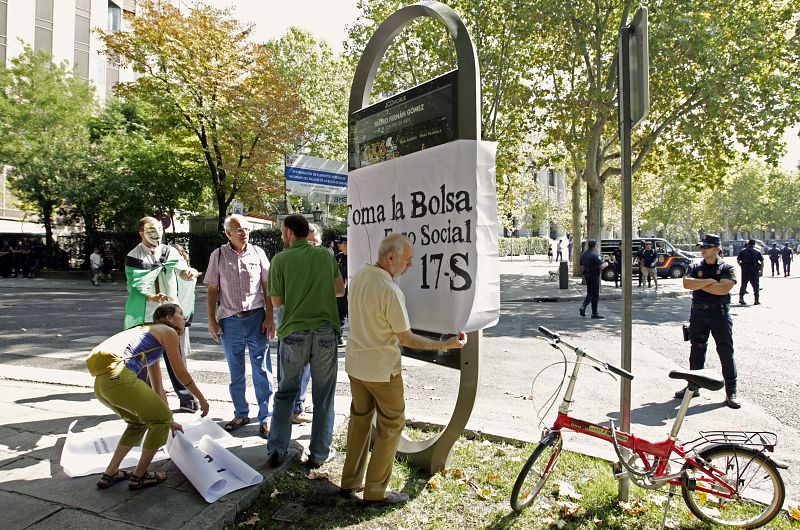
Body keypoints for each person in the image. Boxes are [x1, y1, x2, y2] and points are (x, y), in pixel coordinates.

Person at [340, 234, 468, 504]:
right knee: (392, 425)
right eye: (407, 259)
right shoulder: (390, 291)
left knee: (360, 419)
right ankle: (375, 491)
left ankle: (350, 481)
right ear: (390, 258)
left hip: (356, 365)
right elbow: (407, 339)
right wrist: (445, 344)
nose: (409, 265)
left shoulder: (360, 276)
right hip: (382, 371)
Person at [86, 303, 210, 490]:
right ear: (168, 317)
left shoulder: (150, 335)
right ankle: (140, 476)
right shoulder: (168, 332)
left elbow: (158, 388)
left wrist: (168, 419)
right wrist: (201, 399)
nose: (184, 318)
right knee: (159, 420)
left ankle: (110, 473)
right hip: (119, 378)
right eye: (180, 314)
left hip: (102, 384)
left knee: (139, 423)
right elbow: (180, 372)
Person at [267, 214, 345, 469]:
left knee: (286, 391)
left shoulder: (279, 260)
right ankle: (320, 453)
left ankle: (277, 449)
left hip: (294, 333)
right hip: (324, 332)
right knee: (323, 395)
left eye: (282, 231)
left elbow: (277, 302)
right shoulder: (324, 255)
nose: (281, 236)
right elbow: (340, 290)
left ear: (289, 233)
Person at [205, 214, 275, 438]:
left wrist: (270, 316)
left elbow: (267, 286)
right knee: (236, 371)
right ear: (227, 233)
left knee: (262, 370)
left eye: (246, 228)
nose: (244, 232)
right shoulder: (218, 255)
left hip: (257, 318)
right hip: (230, 320)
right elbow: (212, 290)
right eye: (238, 229)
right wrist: (211, 320)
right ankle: (241, 413)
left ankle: (266, 417)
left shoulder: (258, 253)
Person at [125, 217, 200, 413]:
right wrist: (152, 297)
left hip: (169, 314)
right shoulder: (134, 256)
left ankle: (186, 398)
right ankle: (145, 401)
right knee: (144, 360)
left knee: (176, 357)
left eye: (159, 229)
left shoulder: (169, 251)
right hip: (146, 316)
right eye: (151, 230)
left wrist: (188, 274)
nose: (156, 234)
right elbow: (136, 285)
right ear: (141, 233)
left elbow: (182, 271)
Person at [675, 233, 740, 409]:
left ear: (717, 248)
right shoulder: (695, 265)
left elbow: (723, 289)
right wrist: (711, 281)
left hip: (719, 314)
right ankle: (693, 387)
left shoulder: (727, 267)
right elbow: (687, 284)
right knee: (697, 349)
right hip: (698, 313)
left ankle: (731, 391)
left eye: (707, 247)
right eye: (701, 247)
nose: (703, 250)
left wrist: (701, 283)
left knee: (725, 351)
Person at [579, 240, 608, 319]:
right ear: (595, 246)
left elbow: (581, 266)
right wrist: (606, 264)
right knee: (595, 294)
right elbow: (602, 265)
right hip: (594, 275)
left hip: (587, 275)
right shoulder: (595, 255)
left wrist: (584, 273)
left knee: (590, 293)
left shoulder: (583, 254)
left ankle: (583, 306)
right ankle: (594, 312)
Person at [737, 239, 763, 305]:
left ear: (748, 244)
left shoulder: (743, 251)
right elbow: (762, 261)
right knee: (756, 285)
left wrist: (742, 266)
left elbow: (738, 260)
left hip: (745, 268)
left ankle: (741, 298)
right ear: (754, 244)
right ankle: (756, 300)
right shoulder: (757, 251)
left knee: (744, 284)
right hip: (754, 269)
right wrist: (761, 271)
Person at [335, 235, 349, 346]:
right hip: (341, 291)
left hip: (352, 290)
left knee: (353, 314)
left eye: (341, 243)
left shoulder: (355, 257)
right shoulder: (338, 257)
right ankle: (339, 336)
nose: (339, 246)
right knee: (340, 313)